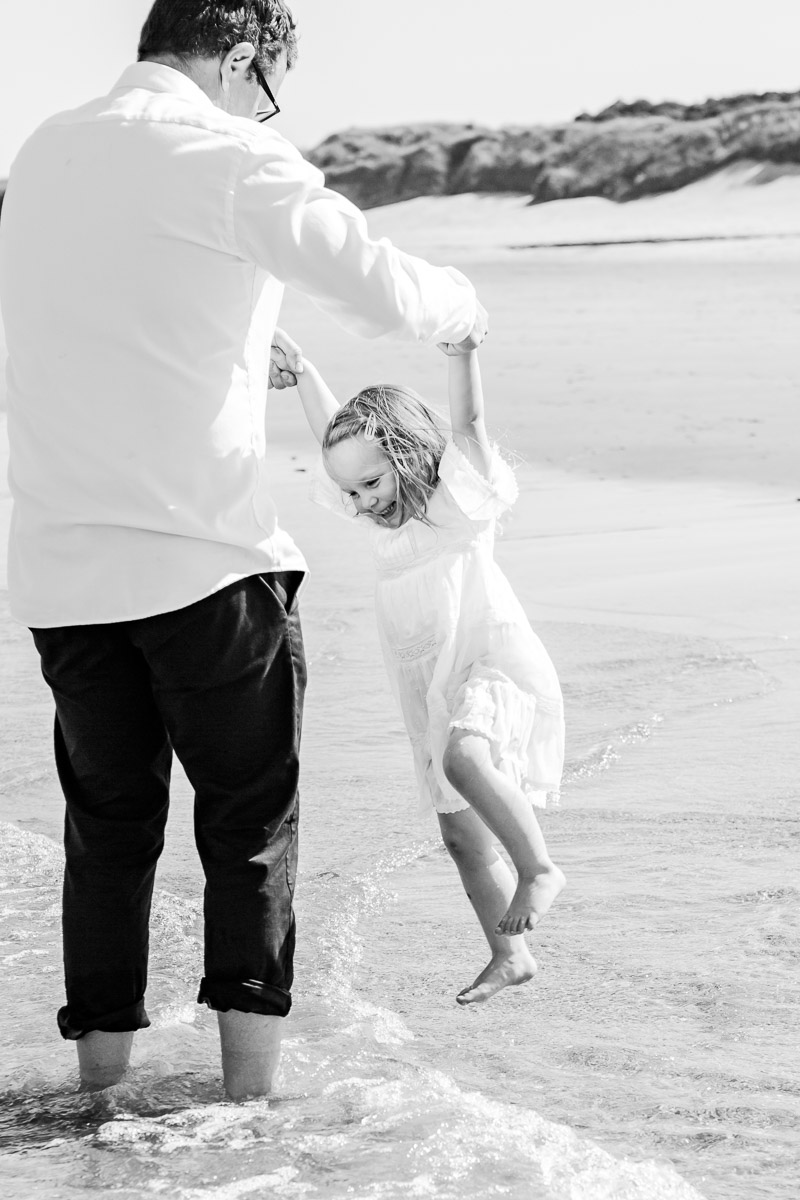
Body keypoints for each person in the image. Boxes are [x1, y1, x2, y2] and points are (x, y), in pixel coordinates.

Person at [0, 1, 488, 1098]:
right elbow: (379, 282)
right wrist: (464, 308)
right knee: (248, 829)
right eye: (264, 87)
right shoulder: (227, 152)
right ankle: (248, 1111)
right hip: (207, 566)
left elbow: (82, 306)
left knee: (108, 834)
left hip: (62, 573)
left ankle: (100, 1097)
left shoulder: (42, 151)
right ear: (237, 57)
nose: (265, 111)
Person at [271, 329, 566, 1005]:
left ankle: (538, 865)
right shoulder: (386, 525)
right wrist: (307, 370)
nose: (362, 501)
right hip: (428, 686)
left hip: (490, 661)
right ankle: (509, 954)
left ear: (406, 455)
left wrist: (464, 355)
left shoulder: (455, 504)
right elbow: (333, 437)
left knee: (467, 761)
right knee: (458, 833)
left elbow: (470, 423)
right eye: (351, 492)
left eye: (372, 483)